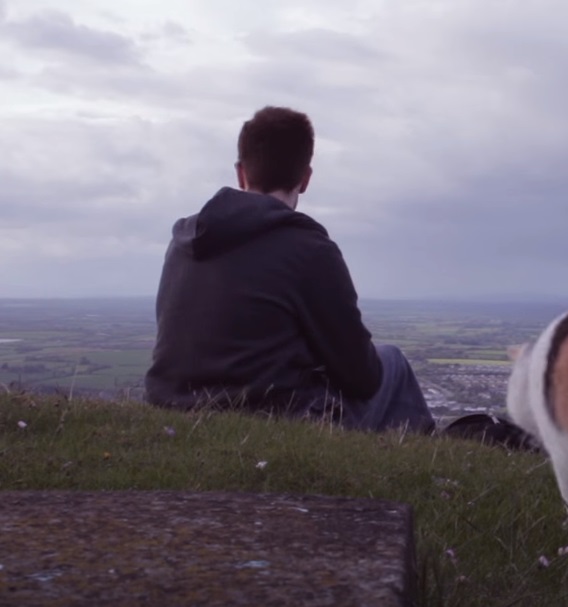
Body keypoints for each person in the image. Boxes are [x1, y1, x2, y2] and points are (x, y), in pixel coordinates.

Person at [143, 105, 436, 435]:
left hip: (170, 409)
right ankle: (425, 462)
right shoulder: (309, 249)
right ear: (305, 178)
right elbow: (363, 377)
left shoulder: (183, 241)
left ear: (241, 173)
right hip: (271, 421)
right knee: (392, 362)